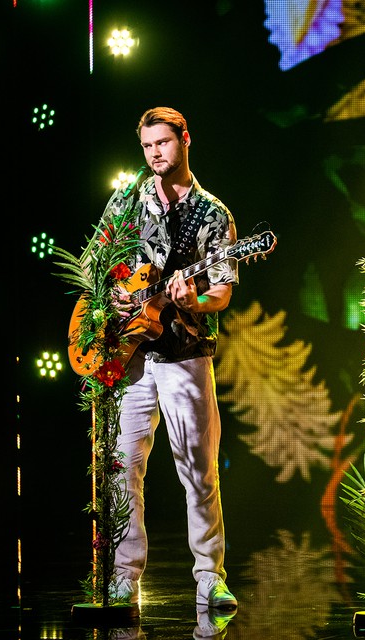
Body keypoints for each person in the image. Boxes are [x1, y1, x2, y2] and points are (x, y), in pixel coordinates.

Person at [90, 106, 239, 610]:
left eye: (164, 143)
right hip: (130, 353)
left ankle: (209, 576)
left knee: (198, 469)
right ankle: (124, 578)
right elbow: (95, 264)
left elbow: (220, 291)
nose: (156, 153)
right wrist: (111, 300)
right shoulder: (126, 202)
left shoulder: (213, 213)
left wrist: (194, 300)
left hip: (186, 355)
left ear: (185, 140)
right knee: (123, 467)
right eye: (148, 145)